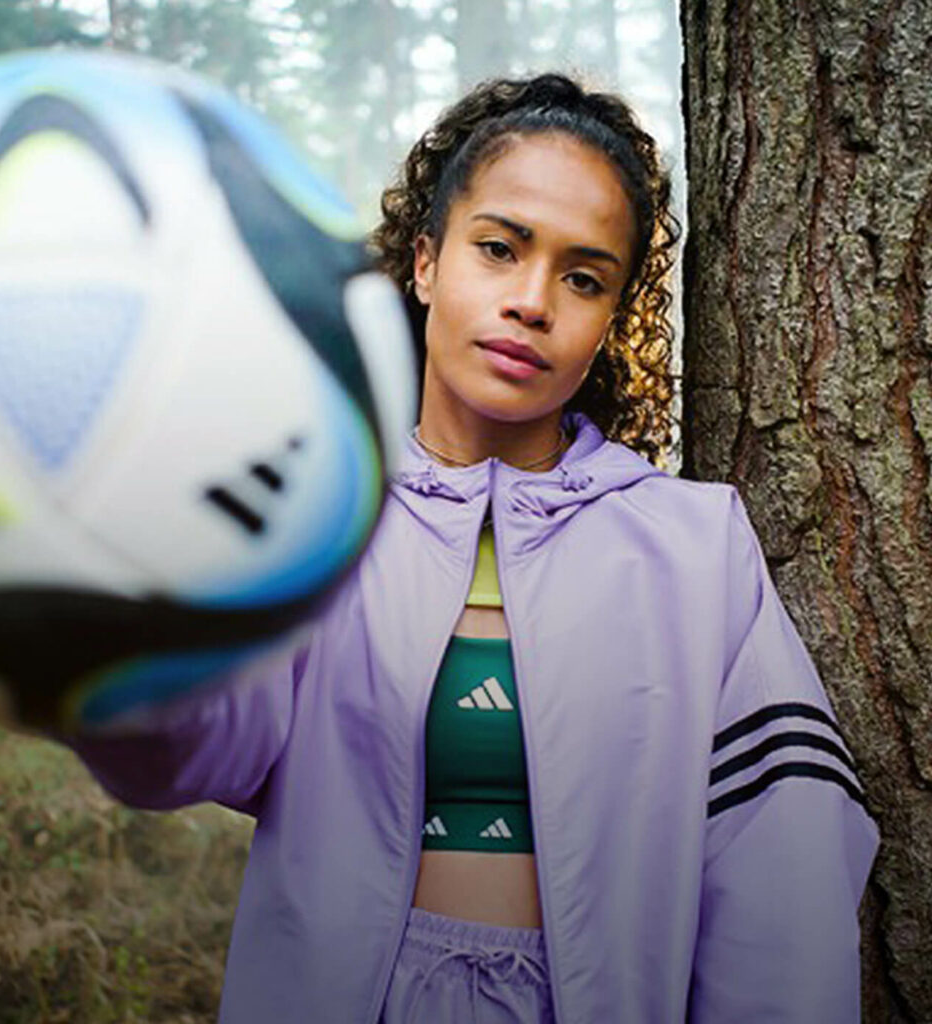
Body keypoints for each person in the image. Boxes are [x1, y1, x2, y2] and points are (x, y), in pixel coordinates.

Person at [65, 73, 878, 1023]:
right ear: (425, 261)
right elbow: (186, 752)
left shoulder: (700, 550)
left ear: (612, 316)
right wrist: (108, 631)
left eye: (584, 277)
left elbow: (783, 873)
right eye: (499, 248)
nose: (533, 301)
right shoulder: (323, 522)